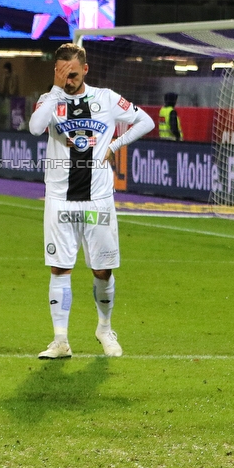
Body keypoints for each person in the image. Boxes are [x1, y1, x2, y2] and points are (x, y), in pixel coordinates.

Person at [29, 43, 155, 359]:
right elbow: (34, 128)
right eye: (61, 74)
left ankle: (104, 328)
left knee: (103, 271)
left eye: (72, 74)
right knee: (59, 268)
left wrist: (116, 145)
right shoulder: (49, 100)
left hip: (98, 200)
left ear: (85, 70)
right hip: (60, 199)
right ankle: (60, 340)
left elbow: (146, 122)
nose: (67, 80)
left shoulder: (107, 99)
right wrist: (56, 90)